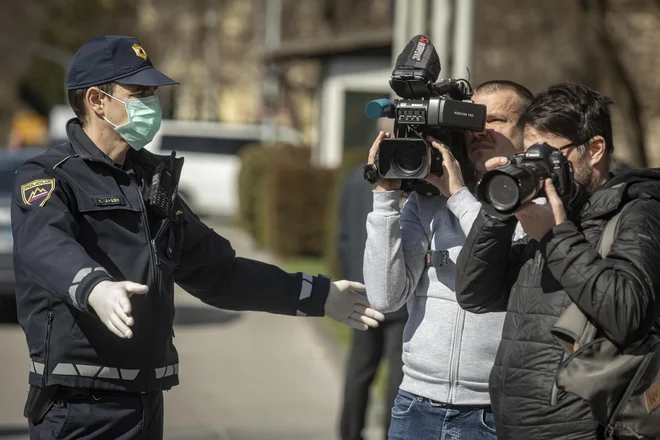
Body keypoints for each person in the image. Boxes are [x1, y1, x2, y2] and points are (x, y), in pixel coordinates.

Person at [12, 35, 384, 440]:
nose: (150, 105)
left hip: (145, 404)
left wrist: (319, 295)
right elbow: (44, 244)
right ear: (96, 101)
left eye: (153, 93)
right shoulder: (50, 175)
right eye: (138, 93)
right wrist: (93, 286)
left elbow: (220, 274)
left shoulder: (151, 183)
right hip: (79, 410)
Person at [455, 82, 660, 439]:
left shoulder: (638, 212)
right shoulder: (561, 214)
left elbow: (628, 313)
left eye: (550, 154)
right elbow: (475, 294)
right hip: (514, 427)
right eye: (531, 155)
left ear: (594, 149)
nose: (542, 167)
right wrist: (498, 209)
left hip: (584, 429)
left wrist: (553, 236)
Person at [362, 80, 532, 440]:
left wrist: (458, 196)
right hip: (415, 404)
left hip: (493, 413)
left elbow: (505, 256)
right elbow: (385, 297)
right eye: (473, 121)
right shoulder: (429, 201)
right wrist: (384, 200)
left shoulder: (536, 200)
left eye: (497, 120)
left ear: (527, 132)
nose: (481, 131)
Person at [337, 162, 408, 440]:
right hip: (397, 291)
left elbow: (341, 237)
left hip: (361, 289)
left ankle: (349, 433)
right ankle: (392, 434)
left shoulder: (354, 178)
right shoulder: (408, 181)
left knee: (359, 370)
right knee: (397, 374)